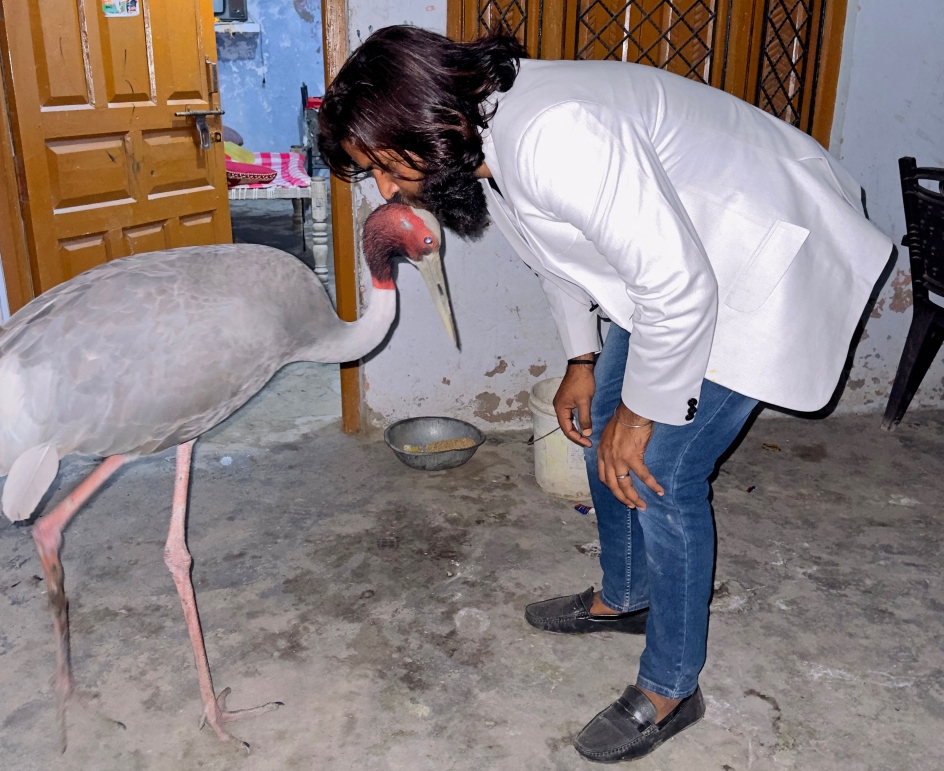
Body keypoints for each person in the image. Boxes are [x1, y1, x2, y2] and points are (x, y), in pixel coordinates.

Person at [318, 25, 892, 764]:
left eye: (383, 165)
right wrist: (582, 360)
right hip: (677, 265)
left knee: (661, 471)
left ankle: (671, 687)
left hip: (758, 256)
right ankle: (626, 594)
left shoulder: (553, 133)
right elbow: (557, 251)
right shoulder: (488, 133)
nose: (389, 189)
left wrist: (645, 413)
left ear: (419, 116)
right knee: (598, 426)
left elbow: (679, 285)